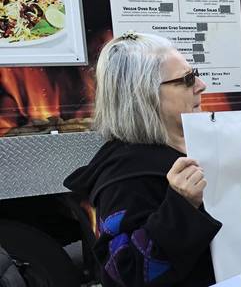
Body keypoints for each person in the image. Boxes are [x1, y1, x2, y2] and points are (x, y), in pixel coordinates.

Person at [64, 32, 221, 286]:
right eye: (187, 79)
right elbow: (125, 275)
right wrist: (180, 206)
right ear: (144, 94)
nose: (201, 85)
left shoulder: (196, 144)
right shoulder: (125, 176)